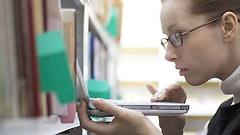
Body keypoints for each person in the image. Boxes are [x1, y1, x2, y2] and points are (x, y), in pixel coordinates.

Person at [78, 0, 240, 134]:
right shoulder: (223, 114)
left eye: (178, 35)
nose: (168, 55)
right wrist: (172, 132)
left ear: (227, 26)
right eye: (167, 40)